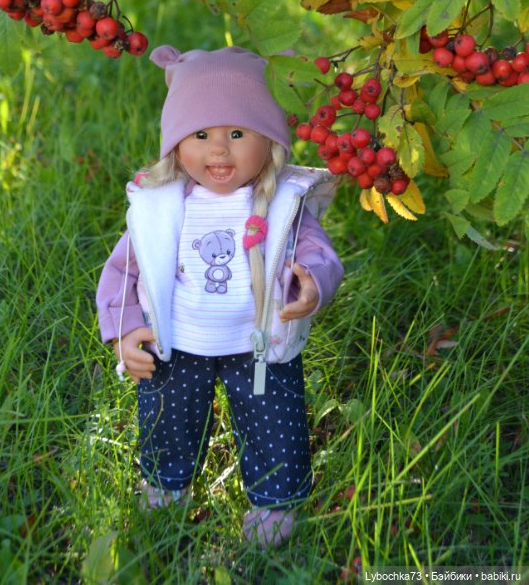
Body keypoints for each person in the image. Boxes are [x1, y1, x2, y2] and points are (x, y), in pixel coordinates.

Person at [96, 45, 344, 547]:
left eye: (237, 134)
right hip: (178, 340)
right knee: (169, 417)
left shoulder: (280, 202)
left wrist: (310, 284)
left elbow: (319, 256)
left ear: (269, 141)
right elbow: (124, 269)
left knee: (275, 422)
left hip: (259, 344)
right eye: (201, 135)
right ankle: (166, 487)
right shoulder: (161, 205)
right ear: (175, 144)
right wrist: (124, 329)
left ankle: (274, 501)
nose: (218, 151)